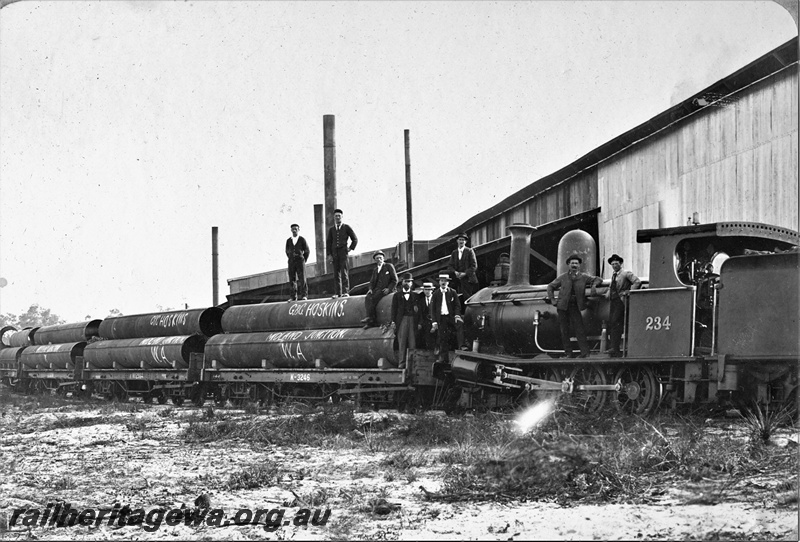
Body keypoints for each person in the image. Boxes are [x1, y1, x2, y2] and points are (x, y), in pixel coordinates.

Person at [546, 255, 602, 358]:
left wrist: (593, 286)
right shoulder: (563, 277)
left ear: (579, 265)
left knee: (579, 329)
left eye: (576, 263)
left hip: (575, 306)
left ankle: (585, 353)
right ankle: (569, 353)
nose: (574, 265)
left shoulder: (584, 277)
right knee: (564, 330)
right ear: (568, 265)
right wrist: (552, 299)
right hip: (562, 306)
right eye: (572, 263)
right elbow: (550, 286)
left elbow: (598, 279)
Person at [605, 254, 641, 357]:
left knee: (616, 322)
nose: (614, 265)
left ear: (620, 263)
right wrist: (607, 294)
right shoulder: (613, 275)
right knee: (612, 322)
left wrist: (629, 292)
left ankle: (615, 348)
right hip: (613, 301)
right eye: (612, 264)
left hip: (621, 301)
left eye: (616, 263)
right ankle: (614, 347)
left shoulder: (625, 273)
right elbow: (611, 287)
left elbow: (637, 281)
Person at [430, 273, 466, 362]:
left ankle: (462, 346)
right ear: (439, 282)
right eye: (442, 281)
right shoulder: (435, 294)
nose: (443, 283)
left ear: (448, 283)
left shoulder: (452, 292)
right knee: (442, 337)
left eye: (445, 281)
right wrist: (434, 321)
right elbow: (432, 309)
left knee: (460, 324)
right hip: (441, 318)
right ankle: (443, 357)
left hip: (451, 317)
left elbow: (457, 305)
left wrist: (457, 315)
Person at [326, 208, 358, 297]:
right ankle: (337, 293)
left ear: (342, 217)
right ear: (334, 217)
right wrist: (329, 255)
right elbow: (328, 243)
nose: (337, 217)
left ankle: (345, 292)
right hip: (334, 254)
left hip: (343, 252)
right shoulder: (331, 230)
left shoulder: (346, 227)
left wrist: (350, 248)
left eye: (339, 216)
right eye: (336, 216)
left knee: (344, 272)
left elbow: (355, 239)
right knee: (336, 274)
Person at [390, 272, 419, 368]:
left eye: (409, 282)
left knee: (412, 342)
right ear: (402, 282)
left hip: (412, 320)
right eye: (406, 281)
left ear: (411, 283)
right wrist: (393, 321)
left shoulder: (416, 296)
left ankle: (412, 364)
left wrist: (419, 322)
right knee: (402, 342)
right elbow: (393, 309)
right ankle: (401, 363)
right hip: (402, 320)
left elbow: (419, 311)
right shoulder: (397, 296)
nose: (407, 283)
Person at [362, 250, 397, 328]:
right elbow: (371, 282)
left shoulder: (389, 266)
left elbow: (395, 280)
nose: (379, 260)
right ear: (375, 260)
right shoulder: (375, 270)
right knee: (368, 297)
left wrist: (389, 289)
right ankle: (369, 318)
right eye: (377, 258)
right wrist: (370, 289)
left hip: (385, 289)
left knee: (373, 299)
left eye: (380, 258)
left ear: (383, 258)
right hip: (377, 289)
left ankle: (371, 320)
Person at [447, 233, 478, 312]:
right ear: (457, 241)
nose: (461, 241)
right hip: (457, 279)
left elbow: (474, 266)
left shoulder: (469, 251)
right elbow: (450, 266)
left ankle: (468, 314)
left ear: (465, 242)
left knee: (468, 297)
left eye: (463, 240)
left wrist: (465, 273)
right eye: (460, 239)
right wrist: (455, 272)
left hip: (468, 279)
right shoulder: (454, 253)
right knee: (454, 296)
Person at [285, 223, 310, 301]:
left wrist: (303, 259)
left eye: (296, 229)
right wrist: (291, 257)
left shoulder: (302, 239)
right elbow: (287, 251)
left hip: (300, 261)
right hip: (291, 261)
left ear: (298, 230)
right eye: (293, 229)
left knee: (302, 278)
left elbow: (307, 251)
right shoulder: (289, 240)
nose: (294, 230)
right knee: (292, 279)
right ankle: (293, 296)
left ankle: (304, 295)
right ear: (291, 230)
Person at [416, 281, 437, 350]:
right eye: (426, 290)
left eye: (429, 290)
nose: (427, 291)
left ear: (432, 290)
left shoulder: (436, 299)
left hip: (435, 322)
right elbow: (420, 314)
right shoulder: (421, 301)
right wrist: (420, 323)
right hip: (425, 322)